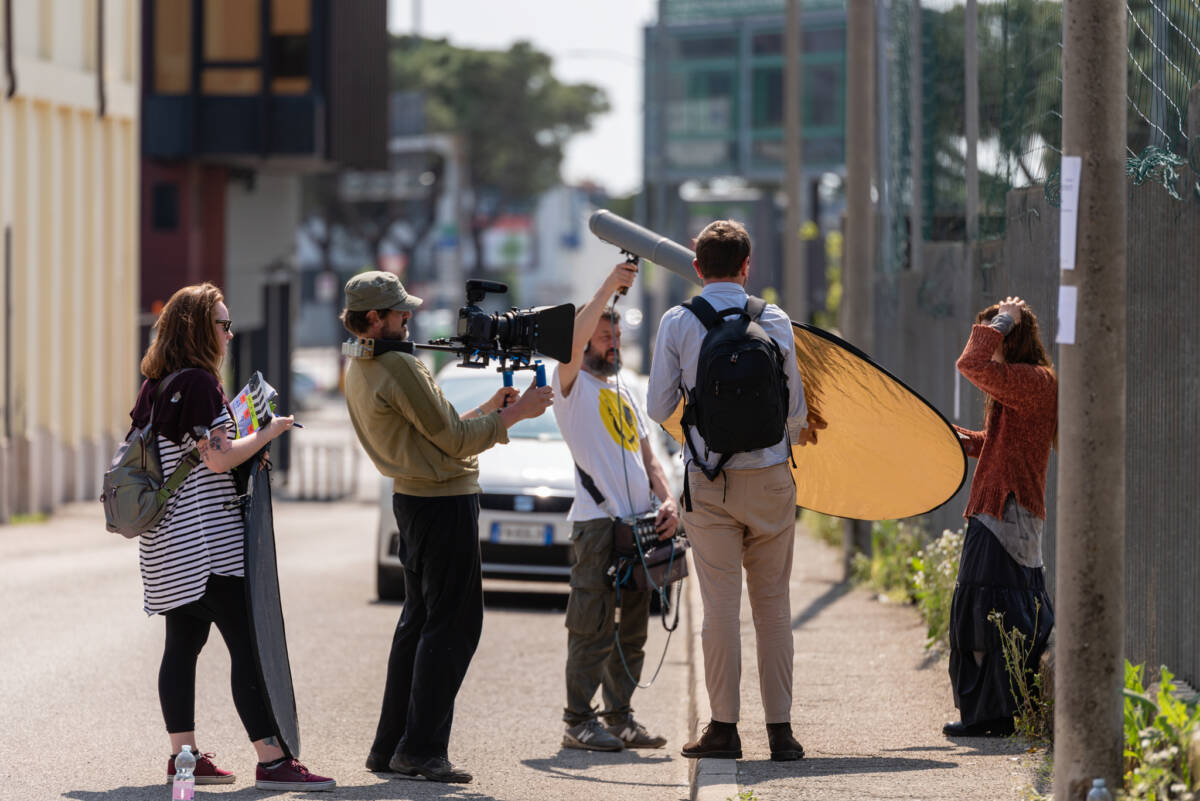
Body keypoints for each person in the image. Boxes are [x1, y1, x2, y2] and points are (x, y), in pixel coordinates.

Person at [341, 271, 553, 783]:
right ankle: (421, 750)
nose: (408, 316)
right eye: (399, 311)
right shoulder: (399, 364)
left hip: (414, 500)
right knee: (454, 625)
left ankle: (392, 746)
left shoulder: (361, 362)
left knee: (419, 623)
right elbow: (455, 442)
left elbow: (435, 431)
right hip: (442, 502)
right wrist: (518, 414)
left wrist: (487, 410)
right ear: (375, 318)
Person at [131, 282, 335, 791]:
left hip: (167, 545)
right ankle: (272, 760)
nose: (229, 333)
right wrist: (269, 431)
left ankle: (184, 761)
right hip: (208, 548)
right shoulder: (200, 384)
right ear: (200, 328)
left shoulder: (156, 385)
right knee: (250, 648)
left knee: (182, 646)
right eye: (222, 324)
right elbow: (219, 459)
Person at [646, 219, 809, 762]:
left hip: (709, 481)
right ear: (747, 265)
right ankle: (781, 733)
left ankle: (723, 730)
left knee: (719, 609)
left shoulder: (678, 321)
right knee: (773, 607)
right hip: (770, 479)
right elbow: (795, 409)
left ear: (697, 267)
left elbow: (657, 406)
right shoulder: (775, 319)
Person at [551, 262, 679, 752]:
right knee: (592, 625)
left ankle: (620, 717)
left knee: (634, 629)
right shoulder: (571, 384)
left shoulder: (626, 389)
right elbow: (570, 341)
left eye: (617, 337)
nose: (614, 344)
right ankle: (578, 721)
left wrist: (668, 501)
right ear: (584, 341)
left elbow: (650, 459)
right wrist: (608, 287)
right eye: (605, 337)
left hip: (639, 527)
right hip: (597, 526)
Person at [944, 296, 1057, 737]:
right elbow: (999, 443)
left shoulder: (1033, 381)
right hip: (999, 509)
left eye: (995, 338)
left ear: (1010, 339)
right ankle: (990, 713)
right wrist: (957, 439)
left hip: (1008, 512)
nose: (989, 347)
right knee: (985, 611)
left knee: (994, 611)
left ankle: (996, 715)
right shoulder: (1024, 383)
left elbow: (969, 363)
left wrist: (1003, 319)